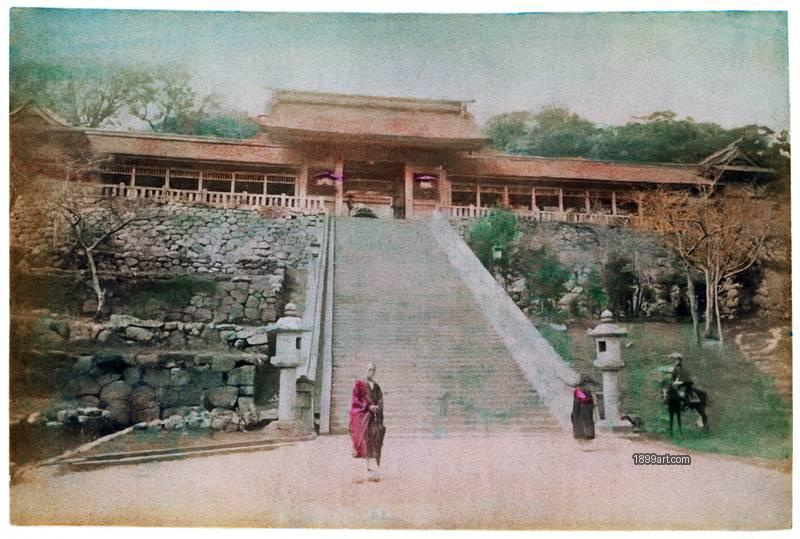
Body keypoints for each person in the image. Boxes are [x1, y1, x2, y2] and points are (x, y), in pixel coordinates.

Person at [349, 362, 385, 481]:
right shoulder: (359, 385)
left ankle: (374, 473)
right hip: (363, 420)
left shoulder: (377, 386)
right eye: (369, 370)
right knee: (364, 445)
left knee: (375, 445)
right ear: (365, 370)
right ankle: (361, 473)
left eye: (373, 370)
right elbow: (355, 401)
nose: (371, 372)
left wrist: (377, 408)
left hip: (374, 419)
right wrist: (368, 406)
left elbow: (380, 400)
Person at [571, 375, 595, 441]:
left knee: (586, 420)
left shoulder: (581, 390)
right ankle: (584, 434)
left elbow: (584, 398)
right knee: (583, 420)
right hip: (582, 406)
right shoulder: (579, 390)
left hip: (585, 406)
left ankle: (588, 434)